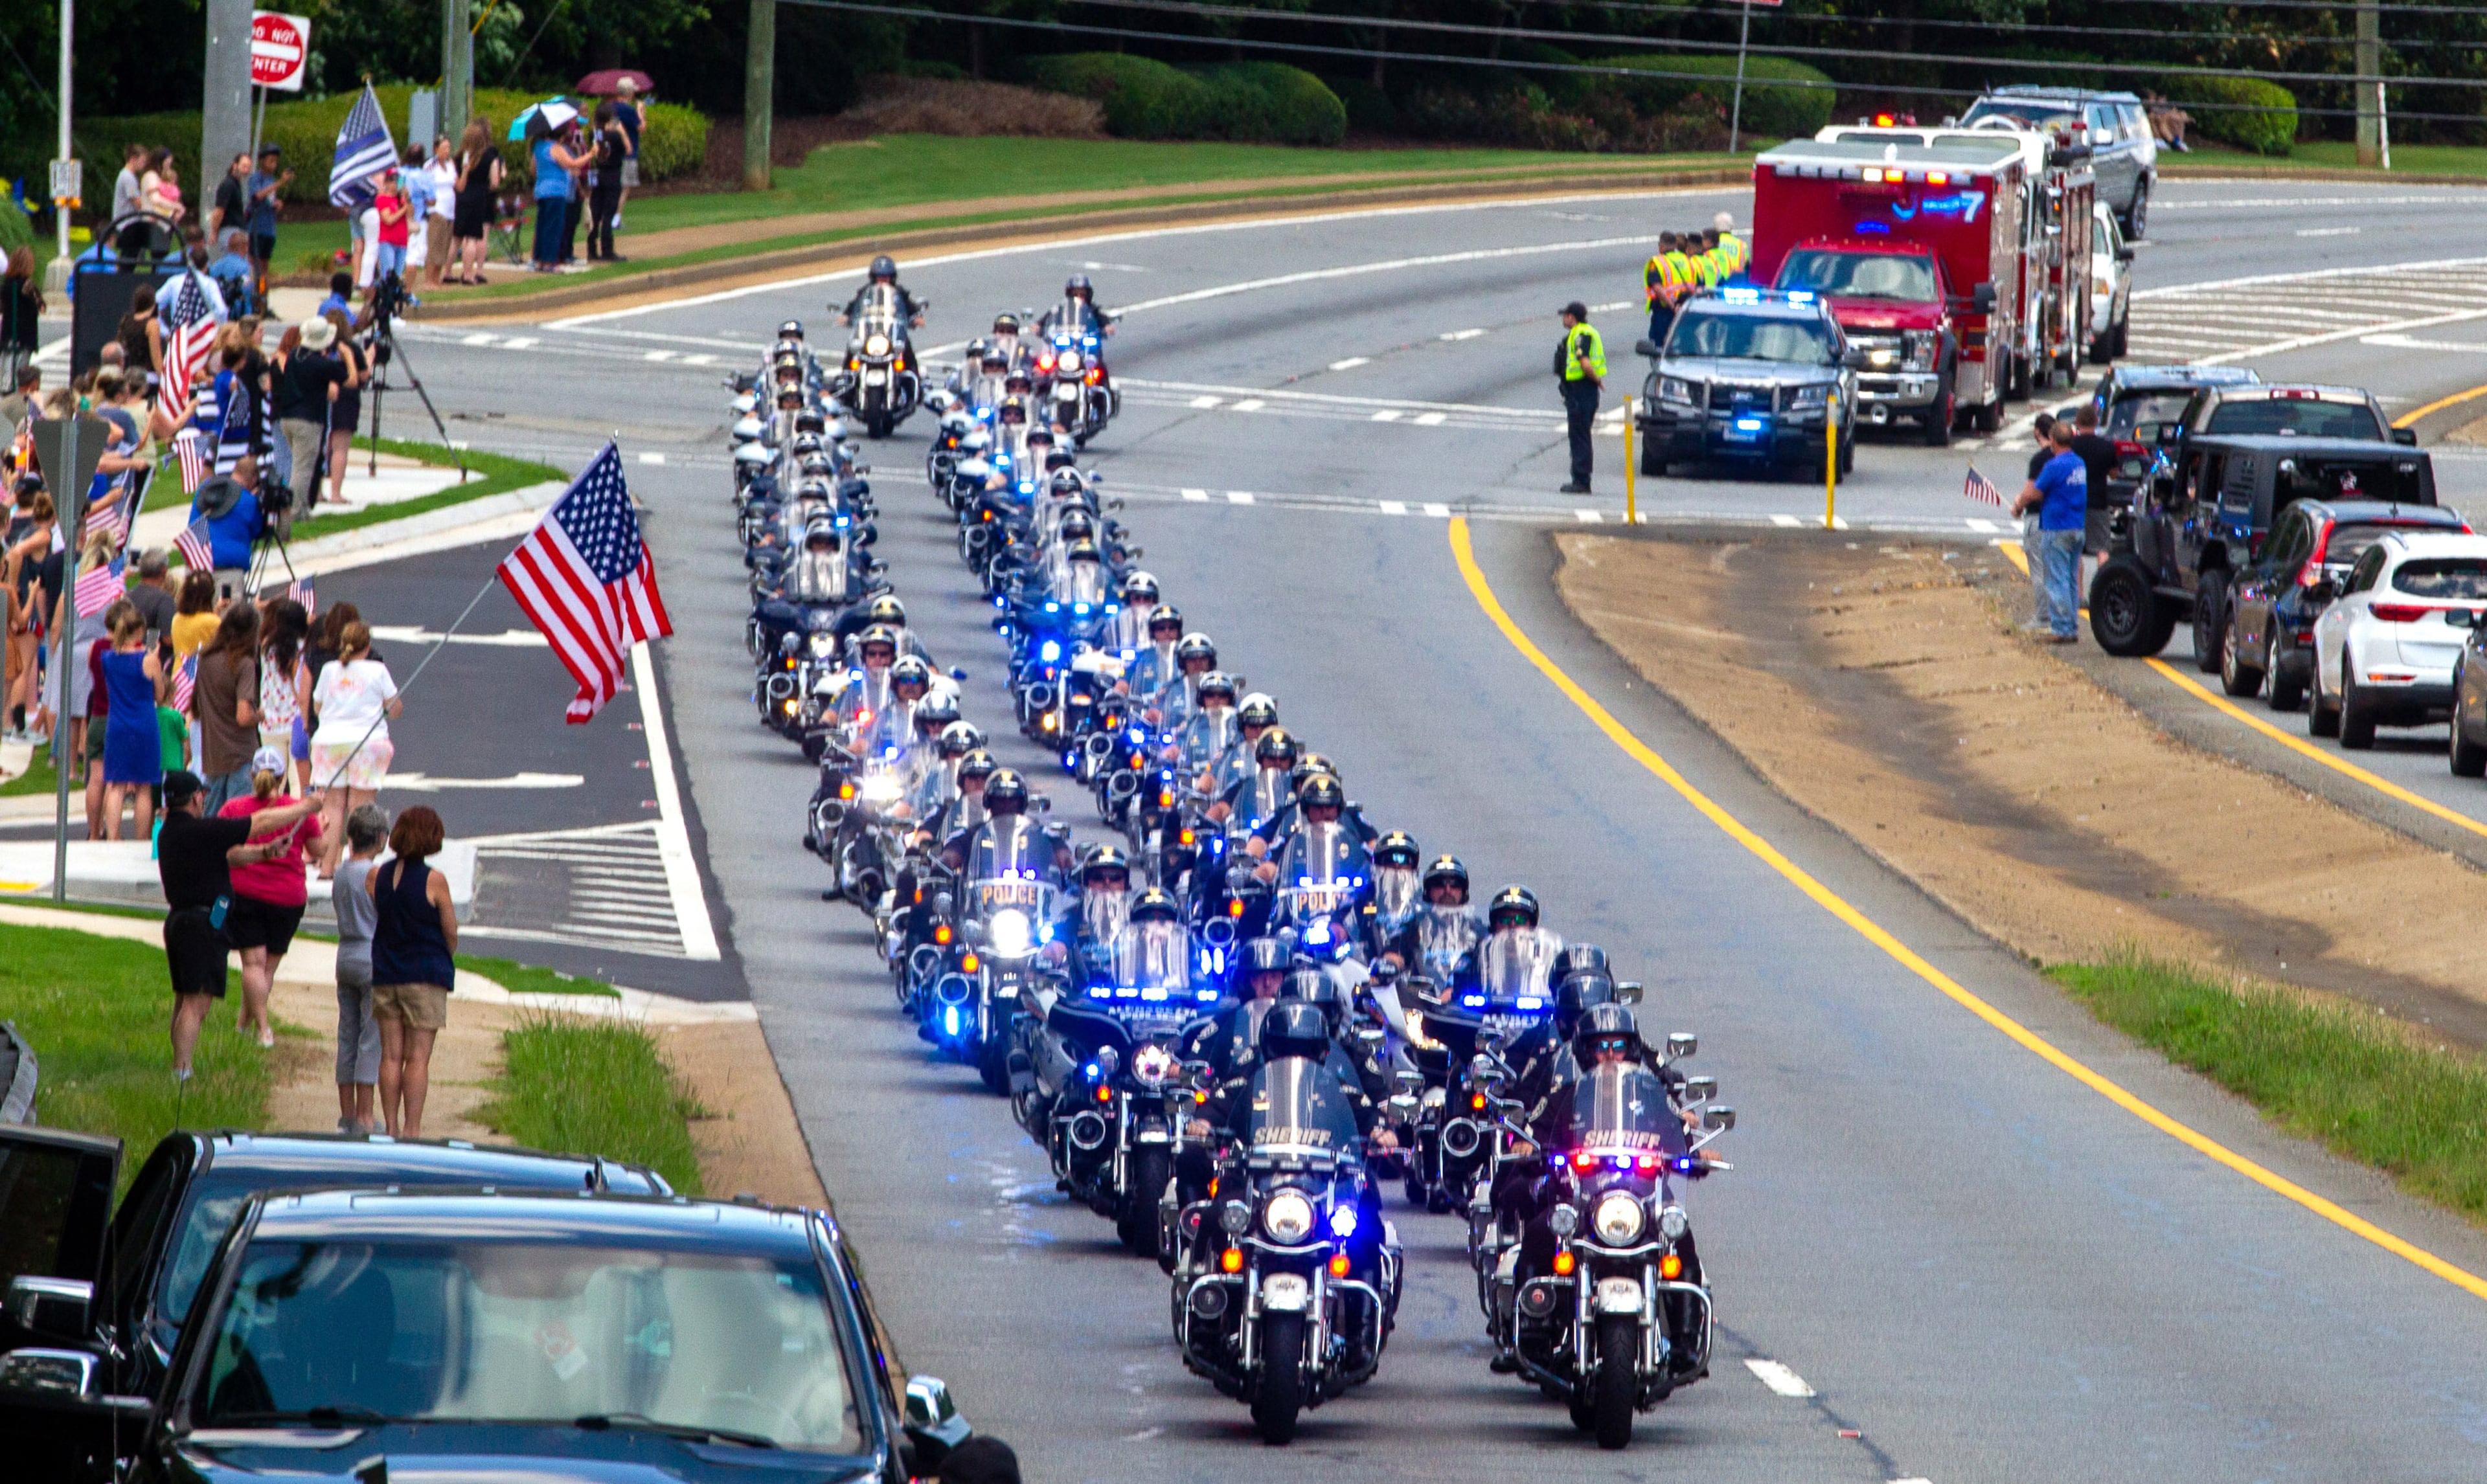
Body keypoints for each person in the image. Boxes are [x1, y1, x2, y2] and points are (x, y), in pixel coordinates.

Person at [156, 767, 317, 1078]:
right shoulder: (204, 830)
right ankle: (182, 1071)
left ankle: (179, 1063)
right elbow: (260, 823)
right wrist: (305, 808)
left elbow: (229, 858)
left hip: (179, 921)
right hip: (203, 924)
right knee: (197, 1003)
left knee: (184, 998)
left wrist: (266, 853)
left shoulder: (170, 834)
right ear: (196, 798)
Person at [218, 744, 322, 1046]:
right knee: (266, 970)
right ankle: (259, 1029)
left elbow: (223, 849)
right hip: (287, 898)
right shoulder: (298, 811)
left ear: (252, 775)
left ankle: (251, 1028)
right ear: (282, 778)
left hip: (245, 893)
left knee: (253, 965)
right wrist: (322, 828)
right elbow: (318, 851)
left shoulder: (233, 809)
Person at [368, 804, 457, 1138]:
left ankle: (389, 1126)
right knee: (417, 1059)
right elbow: (450, 930)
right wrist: (447, 954)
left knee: (390, 1056)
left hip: (387, 972)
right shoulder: (435, 880)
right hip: (424, 975)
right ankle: (412, 1130)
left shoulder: (378, 875)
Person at [310, 618, 400, 875]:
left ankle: (327, 868)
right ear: (368, 645)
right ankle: (358, 867)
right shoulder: (378, 670)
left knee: (332, 807)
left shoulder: (329, 670)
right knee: (361, 809)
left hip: (330, 743)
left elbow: (317, 708)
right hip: (367, 743)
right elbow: (395, 709)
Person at [332, 802, 389, 1132]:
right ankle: (367, 1116)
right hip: (371, 955)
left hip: (345, 953)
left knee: (347, 1034)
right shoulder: (374, 875)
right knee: (370, 1036)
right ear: (380, 838)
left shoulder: (340, 871)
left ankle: (347, 1115)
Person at [2015, 418, 2088, 644]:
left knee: (2056, 580)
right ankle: (2072, 625)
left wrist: (2019, 505)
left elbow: (2035, 493)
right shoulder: (2079, 464)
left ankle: (2062, 628)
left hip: (2057, 527)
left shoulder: (2054, 465)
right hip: (2077, 526)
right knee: (2071, 578)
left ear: (2054, 440)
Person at [95, 605, 164, 840]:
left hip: (117, 725)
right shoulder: (148, 659)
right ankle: (141, 838)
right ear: (140, 630)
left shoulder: (107, 658)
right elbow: (160, 695)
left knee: (116, 785)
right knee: (144, 786)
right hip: (144, 725)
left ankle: (113, 836)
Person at [193, 601, 260, 811]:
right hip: (241, 751)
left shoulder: (205, 659)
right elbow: (243, 716)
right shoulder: (244, 664)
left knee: (212, 816)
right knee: (239, 815)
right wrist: (260, 715)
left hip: (213, 752)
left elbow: (196, 704)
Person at [274, 317, 342, 515]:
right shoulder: (321, 364)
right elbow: (347, 379)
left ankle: (301, 508)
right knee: (303, 469)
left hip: (287, 416)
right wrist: (345, 356)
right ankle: (294, 510)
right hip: (308, 420)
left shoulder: (294, 355)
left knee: (296, 464)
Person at [1555, 301, 1606, 496]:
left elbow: (1584, 362)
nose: (1563, 319)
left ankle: (1582, 480)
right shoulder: (1584, 332)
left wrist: (1597, 380)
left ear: (1572, 317)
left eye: (1565, 315)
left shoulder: (1581, 334)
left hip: (1582, 390)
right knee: (1580, 434)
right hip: (1583, 390)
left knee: (1580, 436)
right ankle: (1580, 478)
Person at [529, 114, 588, 273]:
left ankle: (540, 260)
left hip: (541, 190)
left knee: (542, 225)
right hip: (556, 191)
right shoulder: (556, 148)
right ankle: (549, 262)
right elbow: (572, 163)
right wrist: (591, 154)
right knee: (554, 227)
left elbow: (533, 169)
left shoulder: (539, 146)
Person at [451, 120, 503, 287]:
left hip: (461, 197)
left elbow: (454, 178)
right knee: (474, 237)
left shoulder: (459, 157)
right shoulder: (489, 157)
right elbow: (495, 182)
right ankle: (471, 273)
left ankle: (447, 272)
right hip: (480, 197)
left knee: (457, 237)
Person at [323, 311, 366, 507]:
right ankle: (336, 492)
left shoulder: (321, 347)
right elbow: (362, 376)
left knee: (322, 446)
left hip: (322, 398)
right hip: (347, 400)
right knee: (340, 448)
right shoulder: (352, 349)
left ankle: (316, 491)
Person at [2068, 403, 2118, 557]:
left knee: (2076, 552)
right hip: (2098, 502)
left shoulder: (2070, 446)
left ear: (2077, 422)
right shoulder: (2107, 447)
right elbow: (2114, 474)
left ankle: (2078, 583)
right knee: (2102, 549)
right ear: (2096, 421)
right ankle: (2102, 581)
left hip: (2074, 504)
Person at [585, 104, 630, 263]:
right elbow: (628, 150)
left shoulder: (594, 134)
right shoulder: (615, 136)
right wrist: (622, 132)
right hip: (612, 174)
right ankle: (607, 251)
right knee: (608, 214)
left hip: (597, 174)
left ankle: (591, 250)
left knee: (595, 213)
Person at [245, 146, 291, 295]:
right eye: (271, 160)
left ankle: (263, 296)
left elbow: (269, 200)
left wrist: (276, 204)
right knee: (253, 263)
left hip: (269, 229)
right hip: (256, 227)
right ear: (262, 161)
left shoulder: (271, 180)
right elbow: (258, 196)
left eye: (276, 161)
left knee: (265, 266)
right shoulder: (256, 178)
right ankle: (253, 295)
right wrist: (280, 183)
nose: (274, 164)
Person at [0, 249, 43, 391]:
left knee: (7, 370)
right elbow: (41, 306)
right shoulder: (29, 286)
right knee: (21, 372)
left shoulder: (7, 284)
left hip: (8, 334)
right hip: (25, 336)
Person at [1642, 231, 1690, 351]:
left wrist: (1673, 305)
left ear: (1661, 246)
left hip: (1665, 312)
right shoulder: (1687, 260)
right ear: (1675, 246)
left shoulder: (1658, 262)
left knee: (1659, 347)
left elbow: (1658, 288)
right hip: (1685, 310)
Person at [422, 137, 457, 289]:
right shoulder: (430, 166)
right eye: (444, 148)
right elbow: (423, 187)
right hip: (437, 211)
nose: (447, 151)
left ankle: (437, 279)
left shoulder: (450, 166)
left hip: (450, 212)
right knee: (434, 246)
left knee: (444, 247)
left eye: (449, 148)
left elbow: (458, 185)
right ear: (436, 149)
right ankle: (429, 280)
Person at [370, 168, 412, 293]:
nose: (396, 184)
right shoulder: (382, 199)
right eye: (393, 181)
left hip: (402, 241)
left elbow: (411, 215)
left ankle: (394, 299)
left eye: (398, 181)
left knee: (398, 275)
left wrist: (407, 200)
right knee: (388, 274)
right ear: (387, 183)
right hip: (387, 241)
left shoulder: (401, 200)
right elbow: (388, 220)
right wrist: (403, 209)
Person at [611, 78, 644, 227]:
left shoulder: (610, 107)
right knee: (625, 187)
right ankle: (616, 218)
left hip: (612, 152)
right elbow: (641, 128)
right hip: (628, 153)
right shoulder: (629, 110)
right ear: (629, 93)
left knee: (614, 185)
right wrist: (640, 111)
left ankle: (609, 216)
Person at [127, 549, 177, 644]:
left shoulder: (127, 596)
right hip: (156, 656)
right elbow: (168, 638)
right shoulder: (164, 600)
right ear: (164, 570)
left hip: (130, 651)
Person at [209, 153, 249, 243]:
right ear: (235, 166)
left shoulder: (236, 184)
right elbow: (219, 210)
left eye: (248, 167)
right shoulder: (228, 185)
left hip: (237, 231)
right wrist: (214, 232)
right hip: (230, 232)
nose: (246, 170)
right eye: (244, 166)